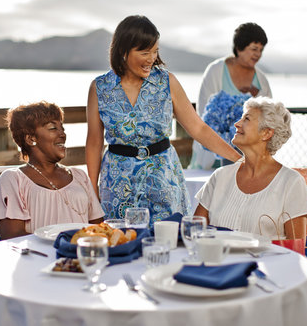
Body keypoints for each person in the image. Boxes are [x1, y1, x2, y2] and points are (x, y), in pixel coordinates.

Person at [86, 15, 241, 225]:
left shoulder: (167, 82)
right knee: (120, 245)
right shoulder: (100, 87)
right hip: (116, 184)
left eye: (155, 51)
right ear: (123, 51)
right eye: (144, 52)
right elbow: (94, 142)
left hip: (163, 180)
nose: (151, 58)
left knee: (170, 244)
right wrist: (92, 190)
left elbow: (198, 128)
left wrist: (238, 159)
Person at [194, 97, 307, 239]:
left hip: (267, 261)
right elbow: (195, 231)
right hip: (216, 259)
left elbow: (296, 247)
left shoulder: (291, 183)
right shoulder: (220, 176)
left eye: (246, 119)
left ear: (266, 133)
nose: (237, 124)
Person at [0, 101, 104, 239]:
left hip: (81, 255)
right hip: (40, 257)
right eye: (53, 128)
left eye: (62, 128)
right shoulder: (13, 179)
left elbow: (99, 229)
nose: (62, 134)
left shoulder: (79, 175)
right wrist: (62, 245)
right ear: (30, 138)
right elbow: (13, 236)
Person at [189, 22, 273, 170]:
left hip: (248, 156)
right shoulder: (215, 71)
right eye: (254, 49)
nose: (258, 54)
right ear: (239, 47)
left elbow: (268, 116)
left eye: (261, 50)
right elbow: (204, 112)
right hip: (212, 154)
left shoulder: (261, 81)